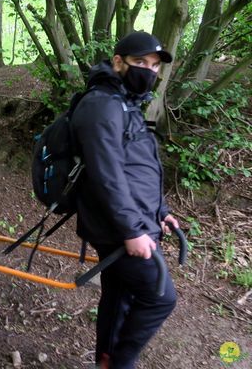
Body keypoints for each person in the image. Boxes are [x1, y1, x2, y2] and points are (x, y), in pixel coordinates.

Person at [70, 31, 179, 369]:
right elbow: (108, 175)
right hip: (117, 228)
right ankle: (120, 363)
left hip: (132, 221)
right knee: (160, 297)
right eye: (140, 63)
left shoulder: (124, 102)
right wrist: (132, 231)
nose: (149, 71)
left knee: (119, 296)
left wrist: (161, 211)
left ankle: (106, 360)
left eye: (154, 65)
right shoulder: (101, 104)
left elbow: (138, 167)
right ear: (118, 63)